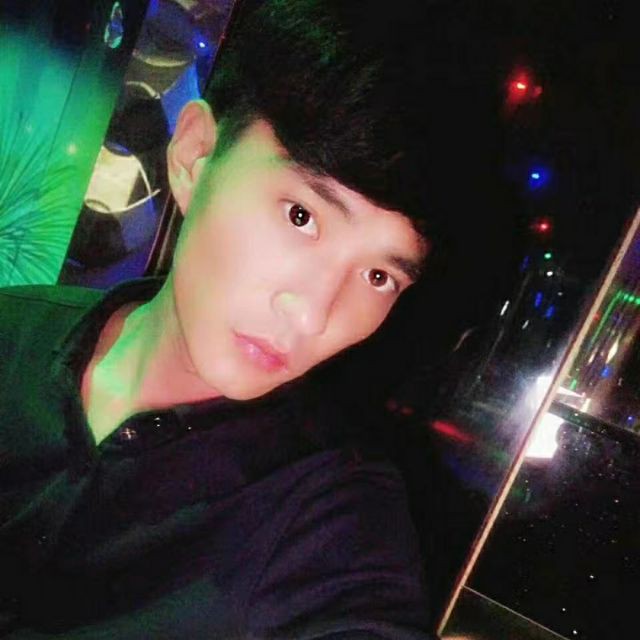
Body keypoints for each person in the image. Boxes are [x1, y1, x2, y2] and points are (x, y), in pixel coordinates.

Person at [0, 0, 509, 637]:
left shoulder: (329, 521)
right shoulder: (11, 333)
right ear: (195, 156)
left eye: (379, 276)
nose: (312, 313)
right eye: (302, 216)